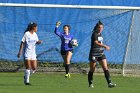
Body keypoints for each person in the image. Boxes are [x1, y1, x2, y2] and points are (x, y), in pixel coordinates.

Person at [88, 21, 116, 88]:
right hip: (94, 54)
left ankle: (109, 83)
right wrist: (105, 46)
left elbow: (99, 42)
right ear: (97, 27)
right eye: (99, 27)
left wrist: (102, 48)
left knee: (105, 67)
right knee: (92, 69)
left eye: (102, 27)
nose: (100, 28)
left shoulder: (100, 34)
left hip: (101, 53)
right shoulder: (94, 34)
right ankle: (90, 83)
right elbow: (95, 42)